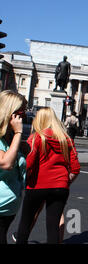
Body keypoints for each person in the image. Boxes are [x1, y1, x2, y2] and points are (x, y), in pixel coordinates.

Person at [15, 107, 80, 244]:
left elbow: (29, 164)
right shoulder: (66, 139)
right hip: (60, 186)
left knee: (25, 223)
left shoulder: (37, 137)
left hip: (37, 185)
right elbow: (75, 168)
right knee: (53, 227)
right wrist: (65, 182)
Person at [0, 91, 28, 244]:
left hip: (8, 210)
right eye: (20, 111)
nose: (23, 116)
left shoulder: (9, 137)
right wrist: (18, 132)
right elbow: (6, 163)